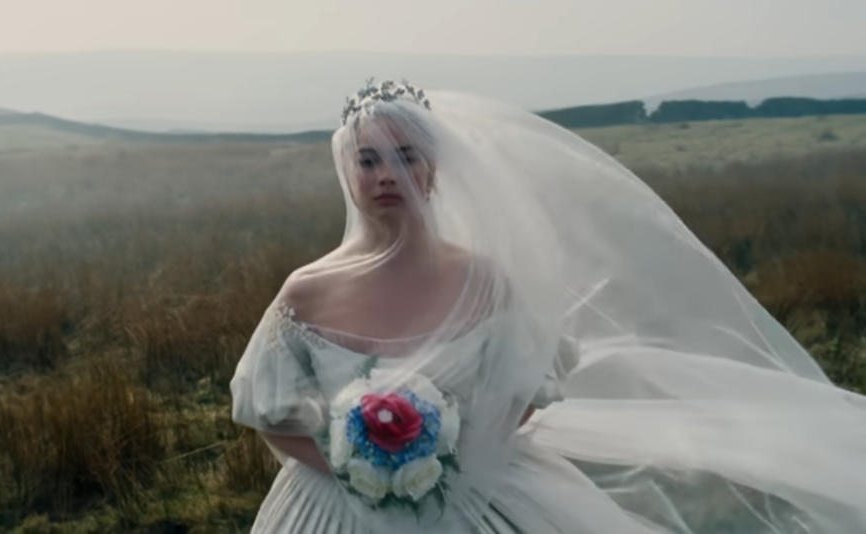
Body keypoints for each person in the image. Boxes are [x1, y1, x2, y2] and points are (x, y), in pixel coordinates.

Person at [230, 79, 866, 533]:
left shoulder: (485, 281)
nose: (386, 175)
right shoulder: (305, 291)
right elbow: (270, 415)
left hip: (480, 496)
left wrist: (453, 461)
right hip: (333, 509)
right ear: (350, 173)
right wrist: (356, 470)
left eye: (405, 156)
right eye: (368, 160)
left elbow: (527, 385)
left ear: (434, 168)